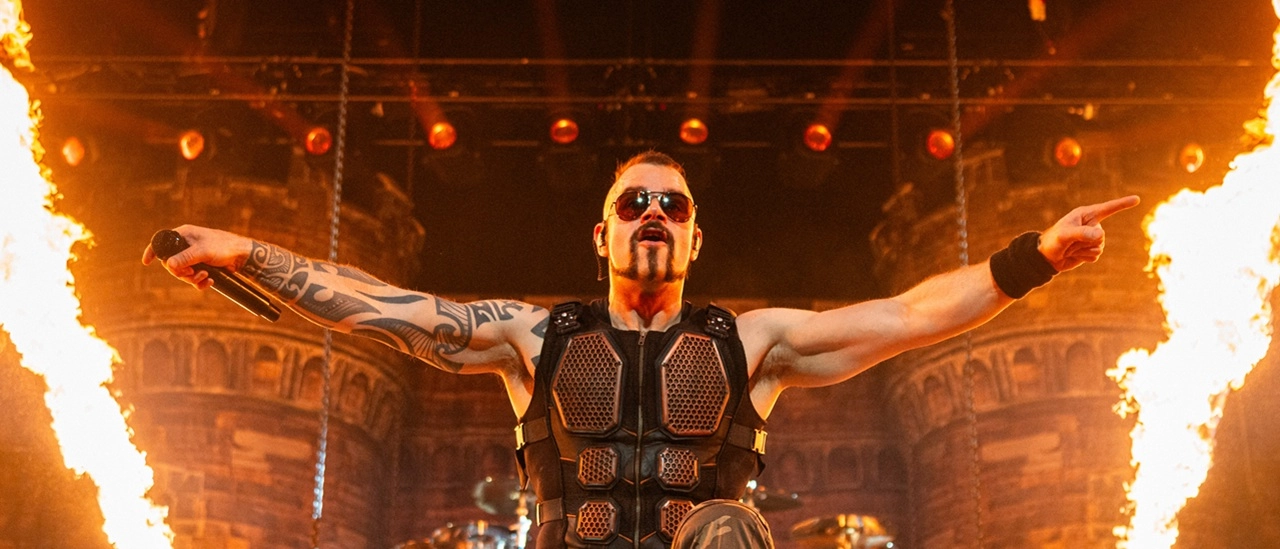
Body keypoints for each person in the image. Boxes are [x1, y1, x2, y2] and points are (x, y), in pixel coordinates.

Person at [142, 151, 1139, 549]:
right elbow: (389, 310)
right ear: (603, 232)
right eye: (634, 201)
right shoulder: (535, 338)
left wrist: (1035, 256)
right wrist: (247, 253)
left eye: (674, 203)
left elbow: (911, 315)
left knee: (727, 528)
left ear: (695, 239)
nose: (654, 211)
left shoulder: (753, 343)